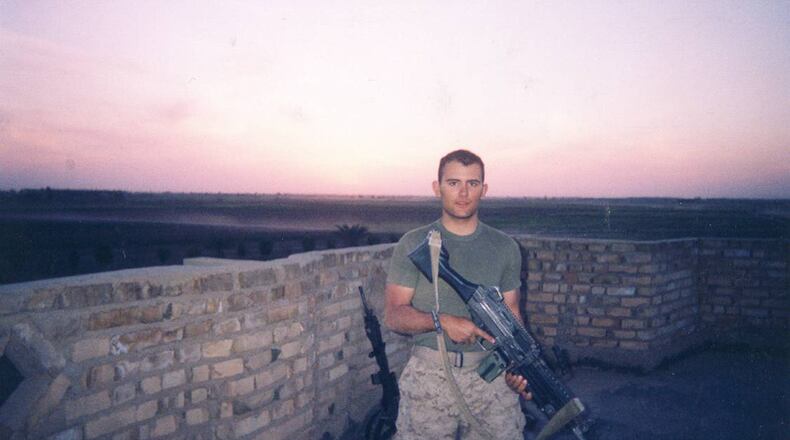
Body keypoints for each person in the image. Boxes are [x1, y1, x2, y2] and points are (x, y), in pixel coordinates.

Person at [384, 149, 531, 440]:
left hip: (492, 381)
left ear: (484, 189)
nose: (463, 193)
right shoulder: (414, 243)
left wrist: (519, 369)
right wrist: (441, 322)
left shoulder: (505, 247)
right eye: (453, 183)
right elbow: (394, 316)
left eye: (472, 184)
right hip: (431, 379)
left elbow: (513, 314)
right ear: (436, 188)